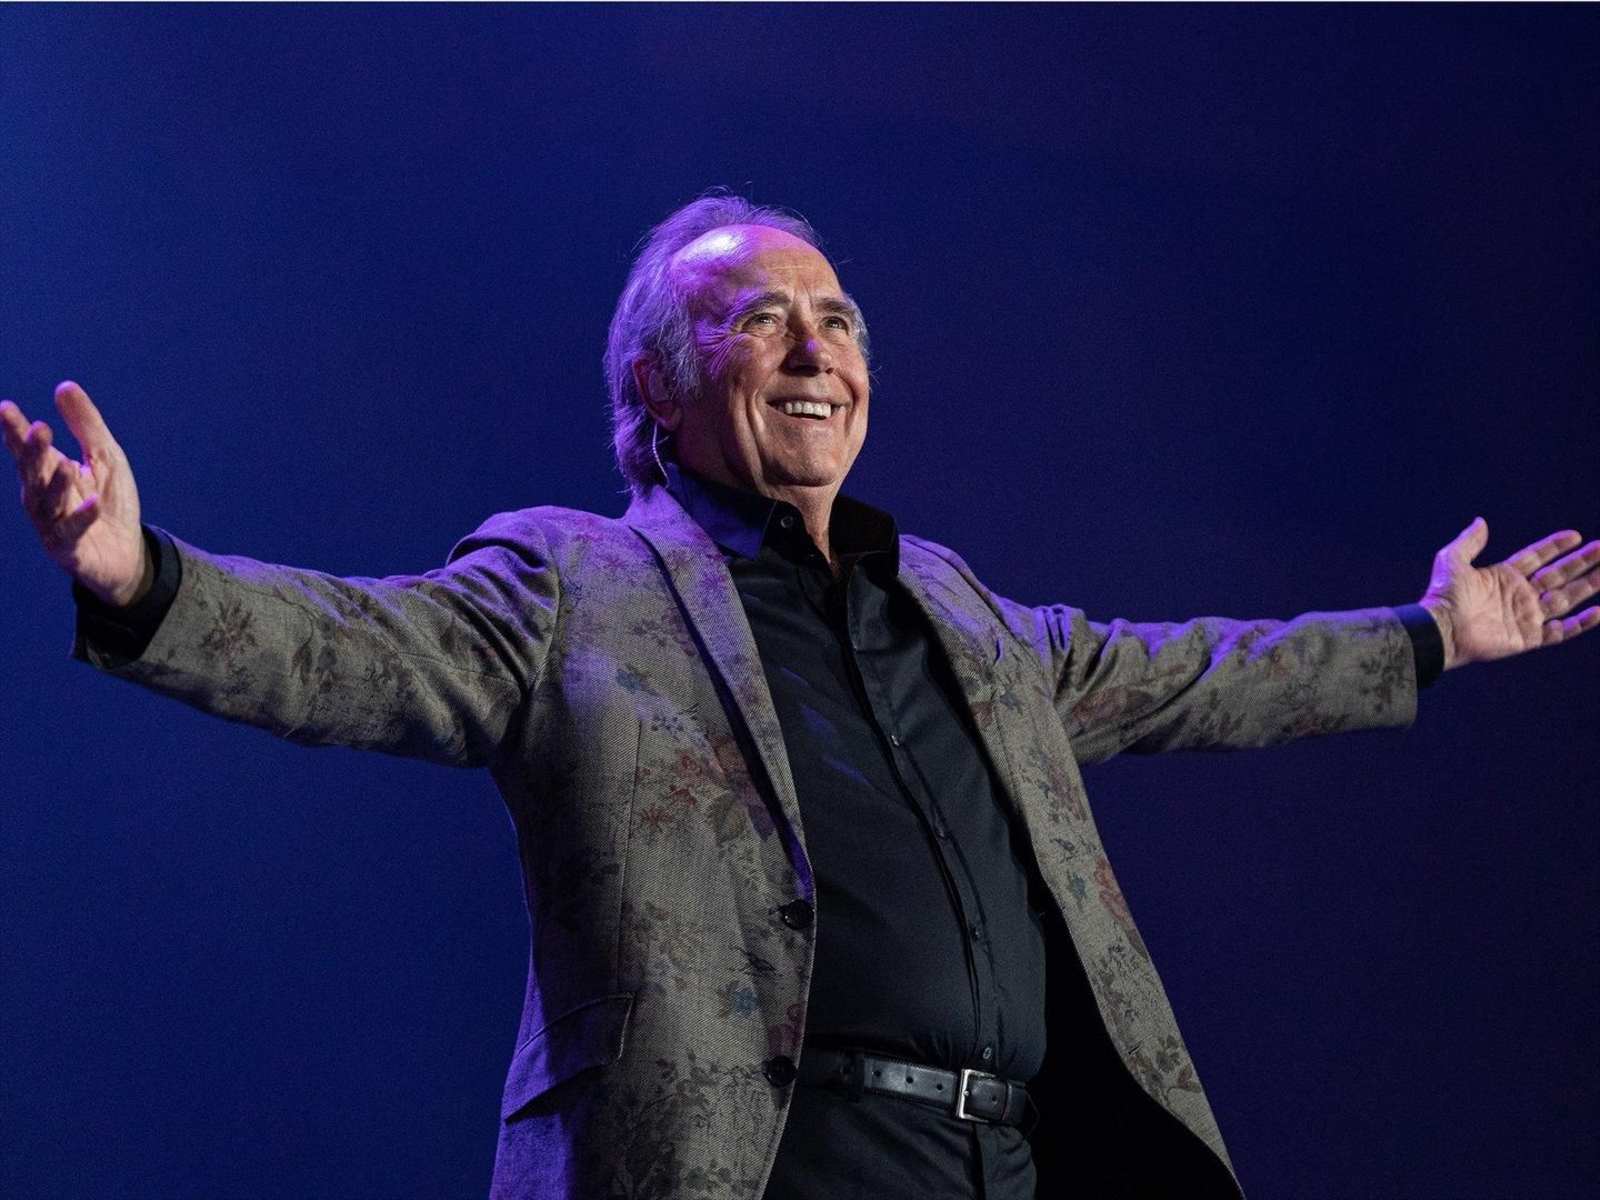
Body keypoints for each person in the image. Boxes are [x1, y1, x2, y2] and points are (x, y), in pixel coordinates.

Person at [3, 195, 1596, 1200]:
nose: (813, 342)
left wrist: (1429, 638)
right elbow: (358, 650)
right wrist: (146, 581)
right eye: (758, 313)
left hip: (1002, 1162)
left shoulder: (957, 609)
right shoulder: (575, 585)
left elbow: (1182, 675)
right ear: (659, 384)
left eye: (836, 316)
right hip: (762, 1164)